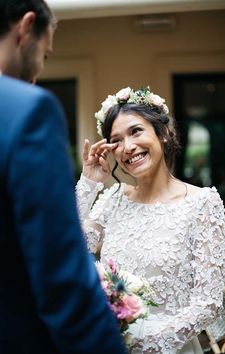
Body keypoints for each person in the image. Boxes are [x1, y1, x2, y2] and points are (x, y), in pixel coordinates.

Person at [0, 1, 127, 353]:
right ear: (26, 29)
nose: (37, 72)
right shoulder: (27, 110)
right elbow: (62, 276)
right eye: (46, 54)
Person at [76, 86, 225, 354]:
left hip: (170, 347)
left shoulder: (202, 203)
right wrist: (89, 182)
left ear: (164, 134)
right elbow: (71, 250)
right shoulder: (114, 199)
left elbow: (208, 302)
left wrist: (150, 344)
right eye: (117, 140)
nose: (128, 147)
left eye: (136, 131)